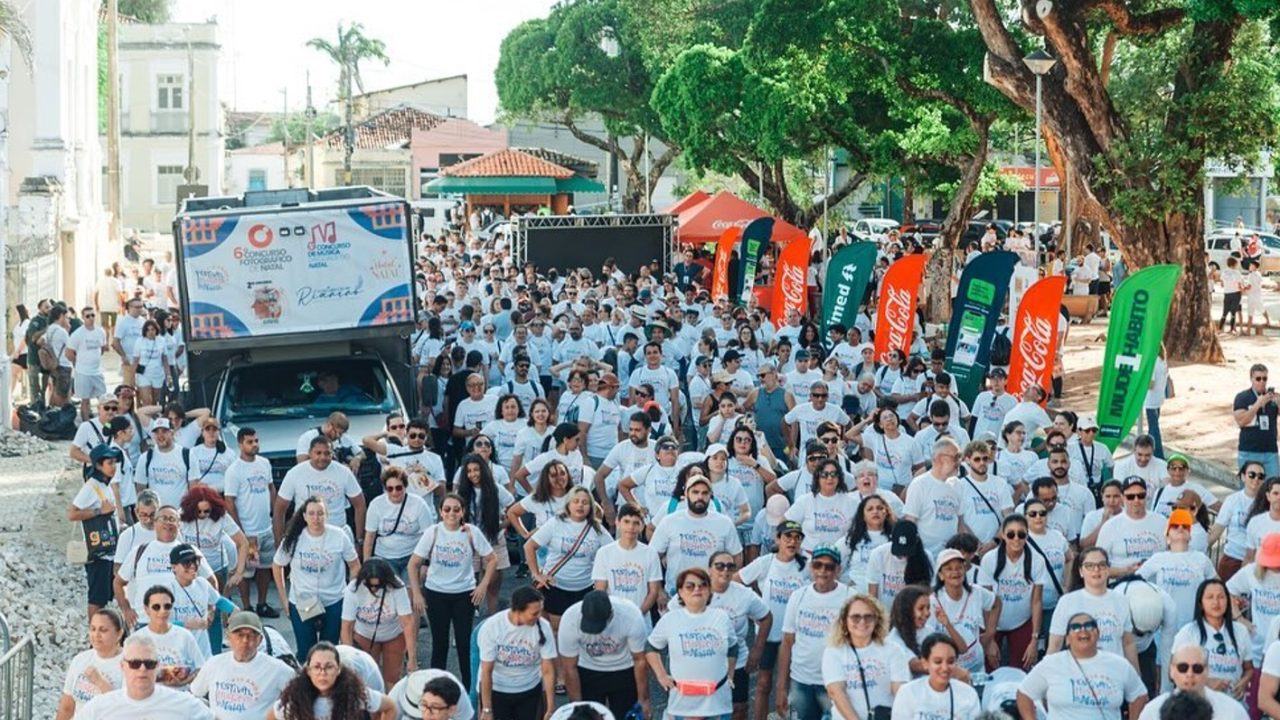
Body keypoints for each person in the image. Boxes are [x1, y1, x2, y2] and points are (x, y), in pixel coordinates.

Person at [409, 492, 497, 690]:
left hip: (464, 594)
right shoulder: (433, 532)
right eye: (447, 509)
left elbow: (492, 559)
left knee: (465, 644)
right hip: (436, 593)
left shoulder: (471, 532)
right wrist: (416, 593)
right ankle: (436, 690)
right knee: (440, 645)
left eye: (456, 509)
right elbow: (413, 564)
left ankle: (468, 691)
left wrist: (482, 585)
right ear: (440, 512)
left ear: (463, 511)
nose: (451, 513)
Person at [272, 496, 361, 659]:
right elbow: (277, 565)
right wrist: (284, 599)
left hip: (334, 600)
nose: (316, 518)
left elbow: (355, 565)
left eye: (320, 513)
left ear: (326, 515)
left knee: (330, 649)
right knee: (306, 650)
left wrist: (350, 593)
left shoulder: (339, 536)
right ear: (304, 516)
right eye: (311, 514)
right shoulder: (294, 538)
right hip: (303, 600)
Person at [737, 520, 808, 720]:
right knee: (763, 683)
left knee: (792, 685)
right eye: (788, 537)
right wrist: (753, 609)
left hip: (795, 635)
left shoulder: (807, 566)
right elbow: (736, 582)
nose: (792, 542)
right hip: (768, 633)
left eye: (797, 538)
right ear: (778, 539)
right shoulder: (765, 562)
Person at [646, 566, 738, 720]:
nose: (697, 589)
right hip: (683, 704)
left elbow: (733, 648)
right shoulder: (670, 619)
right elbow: (650, 647)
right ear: (680, 592)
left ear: (709, 591)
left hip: (717, 703)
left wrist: (730, 675)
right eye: (690, 586)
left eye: (703, 585)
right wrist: (661, 676)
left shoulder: (722, 617)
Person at [1017, 611, 1148, 719]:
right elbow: (1024, 694)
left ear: (1098, 634)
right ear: (1067, 639)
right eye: (1075, 627)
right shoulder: (1051, 664)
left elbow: (1139, 696)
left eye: (1089, 626)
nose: (1083, 630)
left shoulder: (1119, 665)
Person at [776, 545, 855, 720]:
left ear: (838, 570)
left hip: (837, 683)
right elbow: (787, 642)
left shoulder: (851, 598)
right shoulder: (798, 596)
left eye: (829, 567)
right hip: (800, 681)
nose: (823, 571)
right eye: (818, 565)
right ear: (811, 567)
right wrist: (781, 687)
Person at [557, 590, 649, 719]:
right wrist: (576, 705)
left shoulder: (631, 615)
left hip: (624, 669)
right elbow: (569, 667)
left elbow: (640, 660)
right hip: (588, 669)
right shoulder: (570, 618)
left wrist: (643, 700)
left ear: (611, 615)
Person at [189, 610, 296, 720]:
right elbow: (195, 694)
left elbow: (300, 700)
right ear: (228, 637)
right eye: (239, 635)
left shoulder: (279, 670)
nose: (245, 640)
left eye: (251, 635)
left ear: (260, 640)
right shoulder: (213, 664)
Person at [76, 634, 214, 719]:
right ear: (123, 666)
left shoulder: (184, 704)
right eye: (135, 663)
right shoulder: (99, 708)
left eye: (149, 664)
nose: (142, 669)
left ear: (158, 666)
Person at [1047, 547, 1141, 670]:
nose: (1096, 570)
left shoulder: (1121, 600)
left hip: (1114, 673)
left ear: (1108, 569)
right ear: (1081, 571)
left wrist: (1136, 678)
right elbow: (1055, 645)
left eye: (1101, 565)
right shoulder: (1067, 602)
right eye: (1089, 566)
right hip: (1078, 674)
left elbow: (1128, 644)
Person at [707, 550, 773, 720]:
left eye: (730, 566)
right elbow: (673, 612)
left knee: (739, 709)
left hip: (737, 661)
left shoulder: (744, 594)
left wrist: (757, 650)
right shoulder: (697, 589)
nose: (725, 570)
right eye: (719, 566)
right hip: (705, 660)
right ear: (709, 569)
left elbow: (766, 617)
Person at [223, 426, 280, 617]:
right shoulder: (234, 470)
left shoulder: (265, 463)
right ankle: (247, 607)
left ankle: (262, 604)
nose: (254, 444)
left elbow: (271, 488)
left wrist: (275, 514)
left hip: (266, 528)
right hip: (248, 531)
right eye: (250, 441)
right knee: (246, 572)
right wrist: (239, 530)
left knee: (265, 567)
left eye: (256, 441)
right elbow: (229, 501)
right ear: (240, 444)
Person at [823, 594, 910, 720]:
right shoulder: (834, 652)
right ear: (844, 621)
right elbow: (836, 693)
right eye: (855, 617)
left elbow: (900, 692)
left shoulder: (893, 650)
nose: (862, 622)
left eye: (868, 617)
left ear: (877, 620)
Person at [477, 586, 558, 720]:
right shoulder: (492, 627)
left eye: (540, 612)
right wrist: (487, 709)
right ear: (518, 610)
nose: (539, 616)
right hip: (498, 690)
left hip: (529, 690)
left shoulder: (543, 627)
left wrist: (550, 708)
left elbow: (548, 670)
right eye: (534, 613)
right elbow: (486, 671)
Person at [979, 514, 1046, 670]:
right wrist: (989, 639)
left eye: (1021, 534)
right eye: (1011, 534)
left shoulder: (1037, 560)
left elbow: (1037, 602)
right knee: (990, 667)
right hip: (992, 623)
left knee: (1022, 668)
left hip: (1022, 622)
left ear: (1027, 535)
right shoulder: (990, 559)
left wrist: (1034, 639)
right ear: (1003, 535)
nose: (1016, 539)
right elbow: (985, 600)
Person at [275, 436, 367, 545]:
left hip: (337, 537)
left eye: (327, 453)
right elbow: (279, 509)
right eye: (318, 453)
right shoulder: (294, 473)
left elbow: (360, 504)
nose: (323, 457)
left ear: (332, 454)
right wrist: (279, 542)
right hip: (304, 537)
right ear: (309, 453)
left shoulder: (344, 472)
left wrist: (360, 540)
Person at [1171, 578, 1253, 702]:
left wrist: (1243, 683)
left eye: (1221, 597)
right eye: (1210, 597)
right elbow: (1171, 673)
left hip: (1232, 704)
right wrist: (1205, 682)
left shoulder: (1241, 631)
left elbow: (1249, 668)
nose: (1216, 602)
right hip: (1197, 703)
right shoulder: (1188, 633)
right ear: (1200, 604)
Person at [268, 641, 394, 719]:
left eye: (329, 667)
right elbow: (272, 716)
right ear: (308, 671)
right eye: (317, 667)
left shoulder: (355, 693)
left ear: (338, 669)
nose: (322, 673)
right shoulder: (296, 699)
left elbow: (390, 707)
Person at [342, 557, 417, 689]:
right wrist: (350, 658)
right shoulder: (353, 589)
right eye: (370, 586)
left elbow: (407, 623)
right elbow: (347, 626)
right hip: (364, 634)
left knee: (393, 678)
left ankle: (392, 706)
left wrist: (412, 658)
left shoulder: (397, 587)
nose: (374, 589)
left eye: (378, 586)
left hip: (393, 634)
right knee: (366, 679)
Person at [67, 443, 123, 621]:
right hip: (97, 552)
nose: (113, 467)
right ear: (98, 465)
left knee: (104, 597)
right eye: (109, 463)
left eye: (115, 462)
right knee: (97, 599)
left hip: (108, 550)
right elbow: (72, 513)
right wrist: (99, 512)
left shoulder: (103, 485)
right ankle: (95, 635)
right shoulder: (91, 487)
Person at [1136, 644, 1249, 719]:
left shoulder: (1233, 711)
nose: (1190, 674)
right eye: (1183, 668)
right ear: (1171, 671)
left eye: (1197, 669)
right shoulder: (1152, 711)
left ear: (1207, 671)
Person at [590, 503, 662, 616]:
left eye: (636, 523)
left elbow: (653, 591)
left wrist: (637, 614)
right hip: (612, 617)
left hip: (641, 618)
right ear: (617, 523)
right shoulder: (604, 553)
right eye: (626, 522)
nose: (631, 527)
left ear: (642, 526)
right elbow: (600, 590)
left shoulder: (650, 553)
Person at [365, 466, 434, 583]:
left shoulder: (419, 504)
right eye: (390, 489)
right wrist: (367, 565)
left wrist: (427, 563)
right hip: (385, 556)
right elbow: (370, 536)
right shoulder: (376, 504)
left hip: (412, 556)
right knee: (391, 593)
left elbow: (429, 536)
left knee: (410, 593)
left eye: (398, 488)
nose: (394, 492)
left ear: (405, 487)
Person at [55, 608, 125, 719]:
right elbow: (67, 706)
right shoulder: (80, 659)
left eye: (103, 630)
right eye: (93, 629)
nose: (96, 634)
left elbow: (125, 710)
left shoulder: (132, 663)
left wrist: (100, 682)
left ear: (119, 633)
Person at [890, 634, 981, 719]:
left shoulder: (968, 694)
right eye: (938, 662)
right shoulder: (908, 692)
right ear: (925, 663)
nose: (945, 668)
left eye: (950, 662)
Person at [132, 585, 203, 688]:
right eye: (156, 607)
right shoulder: (137, 639)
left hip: (179, 697)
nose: (162, 611)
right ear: (146, 609)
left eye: (167, 606)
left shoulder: (184, 636)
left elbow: (200, 667)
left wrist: (183, 682)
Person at [1233, 363, 1278, 478]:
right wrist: (1257, 405)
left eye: (1264, 378)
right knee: (1249, 490)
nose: (1262, 381)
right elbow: (1242, 421)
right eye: (1258, 379)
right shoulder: (1242, 397)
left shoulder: (1273, 397)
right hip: (1249, 452)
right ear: (1251, 379)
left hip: (1270, 452)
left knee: (1274, 489)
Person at [66, 306, 108, 420]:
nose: (91, 318)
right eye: (88, 316)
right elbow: (69, 352)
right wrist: (77, 362)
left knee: (104, 399)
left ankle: (105, 422)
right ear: (83, 318)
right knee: (85, 400)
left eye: (93, 315)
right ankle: (86, 424)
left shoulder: (101, 331)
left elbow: (103, 348)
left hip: (97, 371)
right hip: (83, 372)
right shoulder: (78, 334)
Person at [388, 669, 474, 720]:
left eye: (435, 707)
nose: (426, 716)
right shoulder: (396, 696)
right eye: (424, 705)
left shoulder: (460, 698)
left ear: (451, 710)